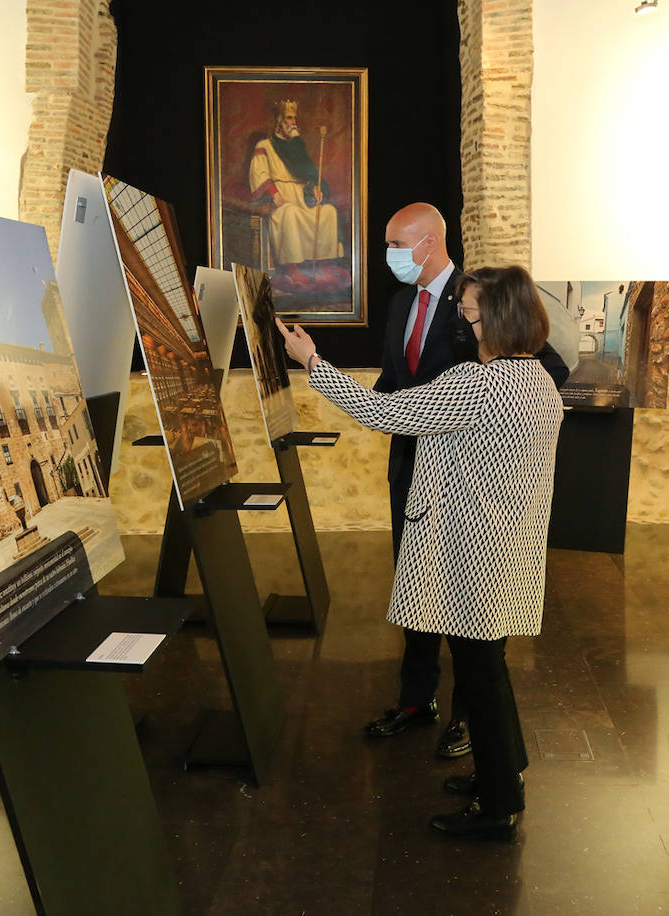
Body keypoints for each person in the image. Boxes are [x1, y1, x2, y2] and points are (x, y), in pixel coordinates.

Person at [276, 264, 562, 840]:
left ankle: (498, 804)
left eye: (472, 311)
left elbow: (386, 413)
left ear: (498, 318)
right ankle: (503, 771)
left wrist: (313, 362)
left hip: (471, 556)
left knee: (479, 678)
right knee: (489, 671)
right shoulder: (537, 382)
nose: (464, 319)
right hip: (507, 548)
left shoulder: (480, 384)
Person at [367, 202, 567, 760]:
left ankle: (467, 717)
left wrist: (475, 406)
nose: (391, 257)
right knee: (419, 584)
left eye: (396, 245)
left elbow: (547, 366)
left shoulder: (484, 300)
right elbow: (391, 383)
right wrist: (399, 409)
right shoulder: (402, 303)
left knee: (472, 614)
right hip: (412, 467)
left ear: (429, 244)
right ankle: (416, 699)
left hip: (473, 483)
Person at [249, 99, 342, 265]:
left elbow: (309, 175)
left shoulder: (297, 148)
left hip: (302, 199)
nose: (294, 122)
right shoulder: (265, 145)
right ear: (279, 121)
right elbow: (260, 173)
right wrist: (274, 194)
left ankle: (323, 266)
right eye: (289, 118)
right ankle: (294, 268)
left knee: (329, 212)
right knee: (290, 213)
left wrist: (315, 188)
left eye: (294, 118)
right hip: (281, 200)